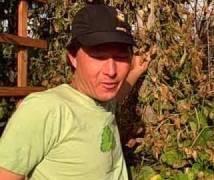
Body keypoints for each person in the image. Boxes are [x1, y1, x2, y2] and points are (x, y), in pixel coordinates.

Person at [0, 4, 149, 180]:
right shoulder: (45, 110)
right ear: (73, 57)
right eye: (99, 56)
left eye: (121, 57)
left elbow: (119, 94)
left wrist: (136, 71)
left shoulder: (103, 99)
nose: (111, 71)